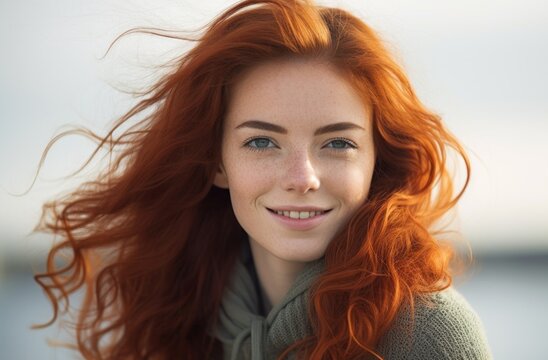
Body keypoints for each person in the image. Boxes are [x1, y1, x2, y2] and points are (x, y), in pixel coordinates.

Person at [34, 0, 492, 359]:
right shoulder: (183, 318)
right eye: (261, 143)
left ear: (377, 161)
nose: (302, 178)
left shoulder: (426, 333)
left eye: (337, 143)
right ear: (216, 163)